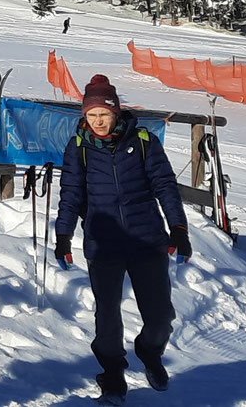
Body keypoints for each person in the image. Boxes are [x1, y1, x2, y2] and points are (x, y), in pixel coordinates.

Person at [54, 75, 189, 405]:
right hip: (104, 244)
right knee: (108, 318)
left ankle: (150, 352)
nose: (98, 122)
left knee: (160, 316)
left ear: (116, 112)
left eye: (104, 114)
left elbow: (165, 186)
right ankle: (112, 377)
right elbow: (71, 194)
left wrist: (179, 229)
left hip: (147, 239)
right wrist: (63, 235)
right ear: (84, 117)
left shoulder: (143, 141)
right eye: (91, 115)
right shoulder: (78, 148)